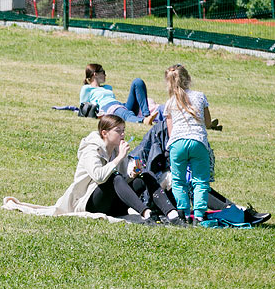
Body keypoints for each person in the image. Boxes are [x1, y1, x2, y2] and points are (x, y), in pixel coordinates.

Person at [130, 117, 270, 225]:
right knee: (180, 180)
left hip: (175, 192)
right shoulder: (158, 132)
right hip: (153, 194)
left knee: (195, 182)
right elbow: (142, 167)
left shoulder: (189, 133)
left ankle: (234, 209)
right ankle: (236, 211)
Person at [52, 115, 187, 225]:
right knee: (114, 177)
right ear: (104, 133)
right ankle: (146, 213)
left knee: (146, 175)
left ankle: (172, 214)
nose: (123, 134)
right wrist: (119, 158)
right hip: (89, 203)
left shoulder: (117, 149)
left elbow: (122, 182)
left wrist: (132, 175)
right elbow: (99, 177)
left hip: (113, 203)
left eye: (123, 130)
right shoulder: (91, 150)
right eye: (118, 131)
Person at [164, 64, 214, 224]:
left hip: (177, 144)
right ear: (188, 79)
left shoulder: (169, 103)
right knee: (200, 180)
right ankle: (199, 214)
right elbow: (208, 122)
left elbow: (171, 132)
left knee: (178, 181)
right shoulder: (200, 96)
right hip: (198, 142)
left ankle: (183, 213)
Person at [80, 64, 158, 125]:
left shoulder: (108, 87)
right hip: (107, 107)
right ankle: (143, 120)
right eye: (103, 72)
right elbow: (83, 107)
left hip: (118, 104)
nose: (105, 75)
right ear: (95, 74)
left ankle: (146, 115)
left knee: (138, 82)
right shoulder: (87, 88)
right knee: (125, 113)